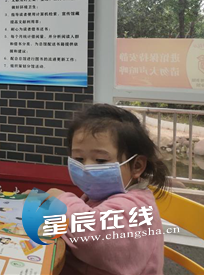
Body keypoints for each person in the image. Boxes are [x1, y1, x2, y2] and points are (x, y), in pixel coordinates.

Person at [46, 104, 168, 275]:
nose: (86, 167)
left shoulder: (137, 208)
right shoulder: (100, 195)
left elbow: (90, 234)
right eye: (78, 158)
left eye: (100, 160)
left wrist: (59, 200)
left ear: (137, 166)